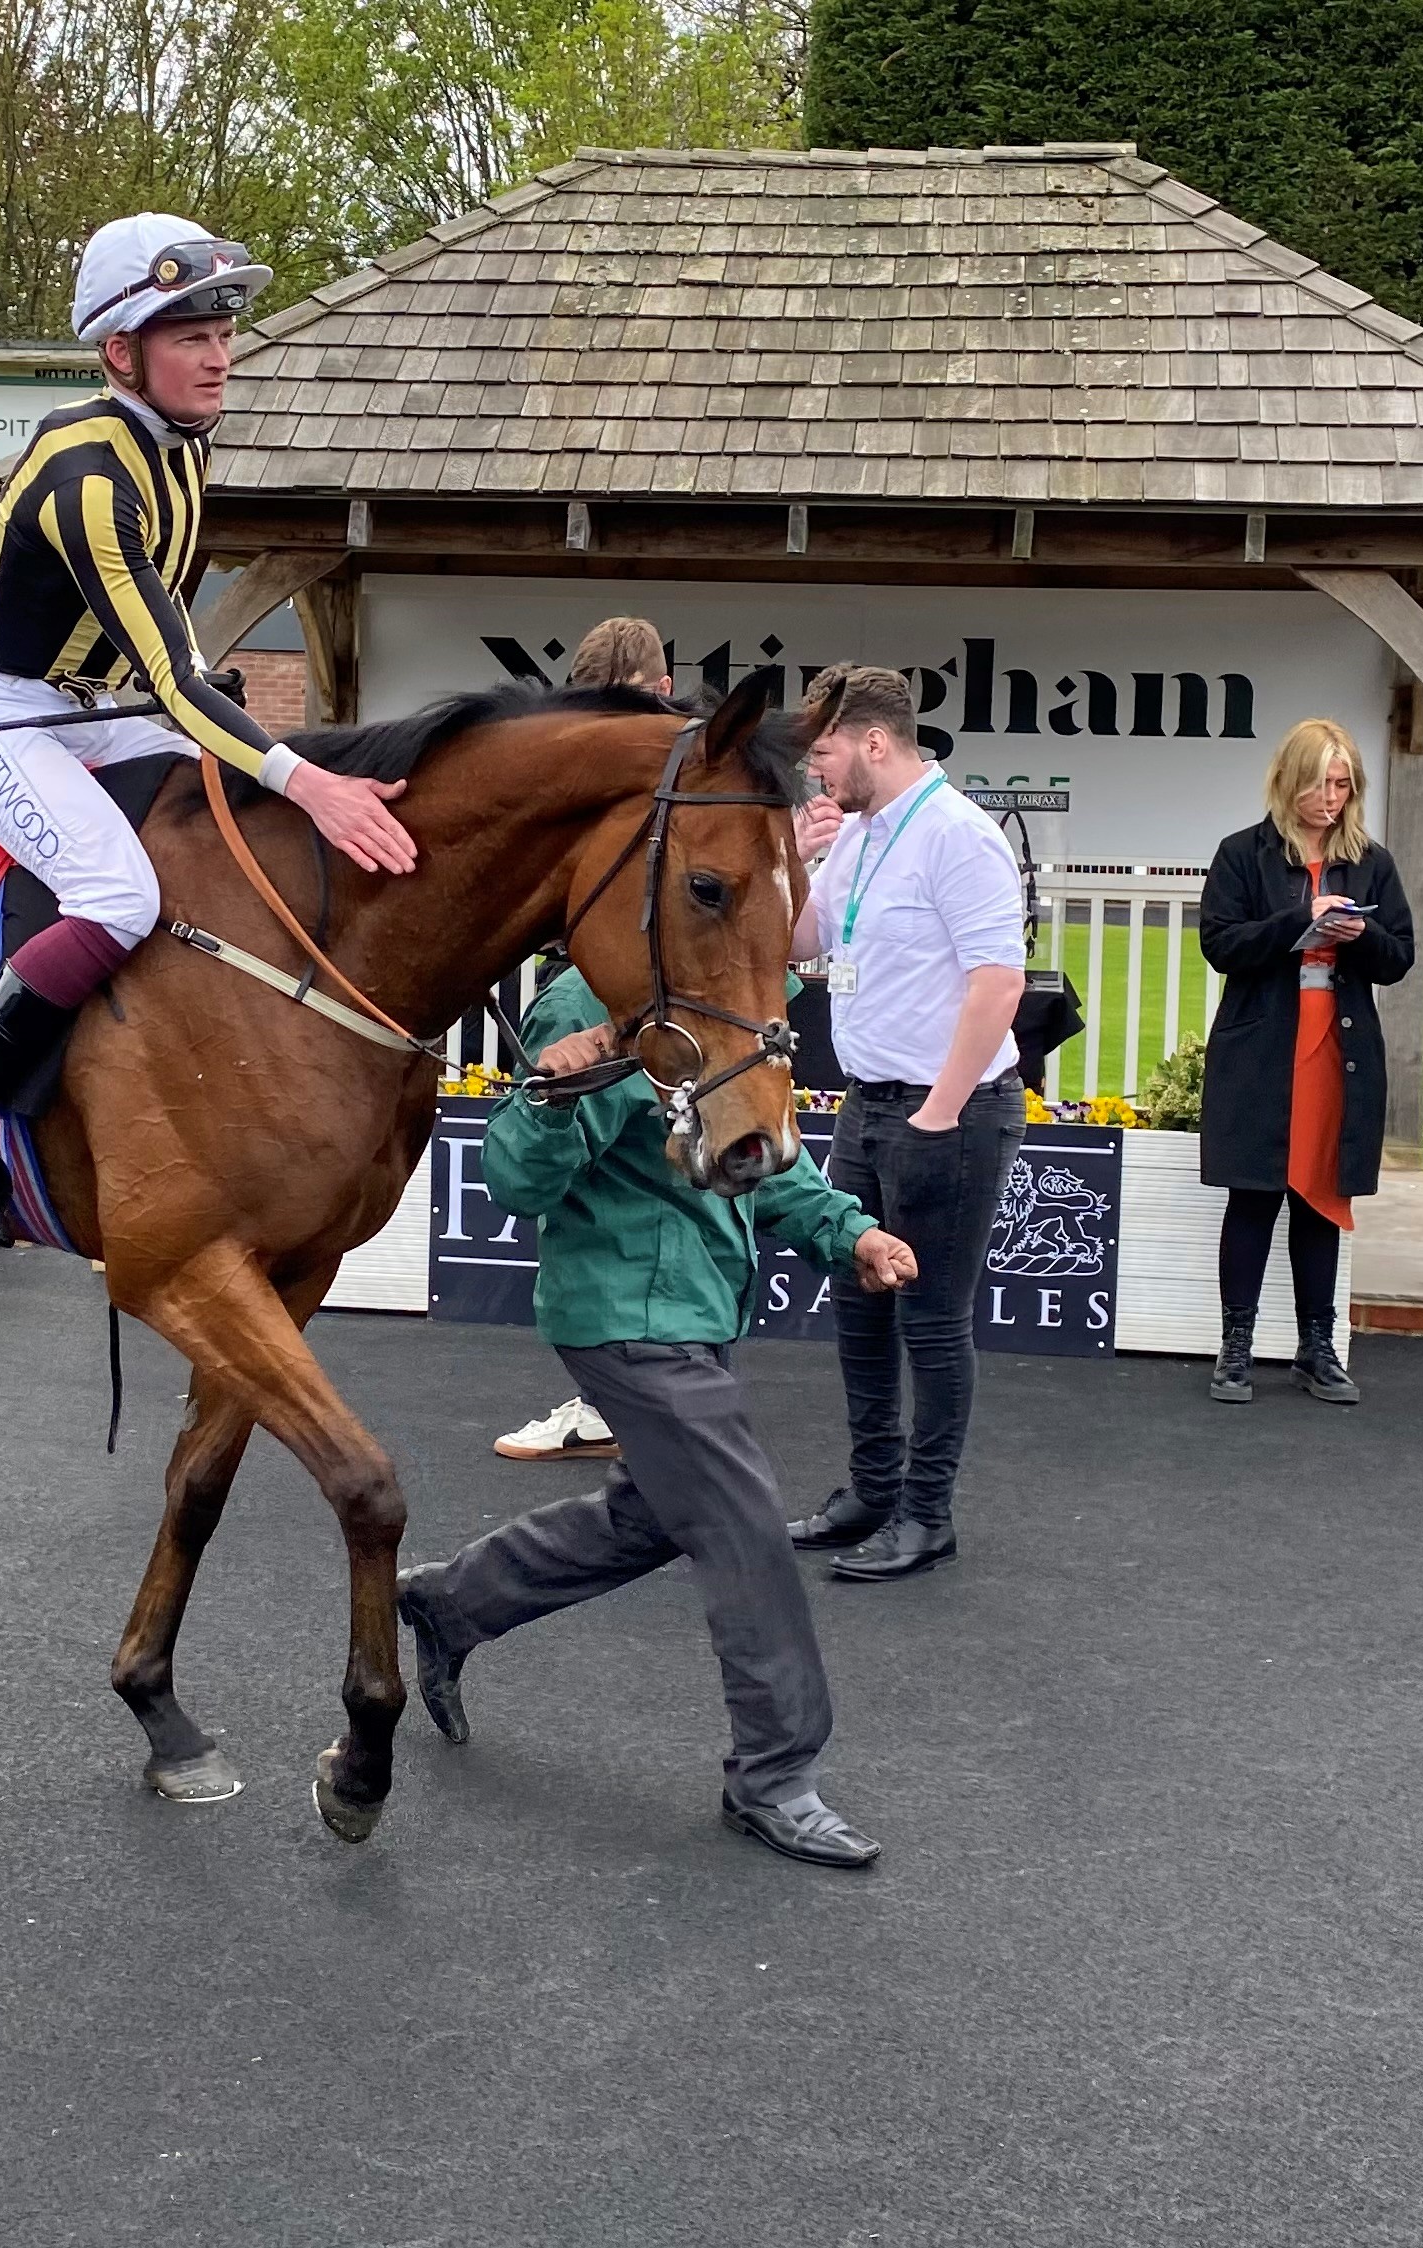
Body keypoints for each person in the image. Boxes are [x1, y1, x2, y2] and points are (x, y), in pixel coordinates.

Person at [0, 213, 421, 1242]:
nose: (218, 356)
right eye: (190, 336)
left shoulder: (177, 447)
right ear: (122, 351)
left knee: (229, 803)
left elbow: (162, 646)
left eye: (222, 332)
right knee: (119, 894)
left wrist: (256, 754)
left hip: (88, 709)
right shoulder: (89, 474)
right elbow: (173, 680)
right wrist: (314, 781)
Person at [396, 967, 913, 1869]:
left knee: (649, 1518)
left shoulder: (721, 990)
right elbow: (515, 1180)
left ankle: (451, 1600)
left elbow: (755, 1158)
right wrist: (553, 1095)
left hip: (696, 1311)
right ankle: (775, 1776)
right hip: (626, 1320)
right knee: (745, 1528)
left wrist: (850, 1233)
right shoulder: (588, 1004)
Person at [779, 664, 1028, 1583]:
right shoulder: (860, 834)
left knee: (929, 1320)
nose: (817, 771)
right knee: (857, 1306)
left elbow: (998, 982)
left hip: (947, 1113)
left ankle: (928, 1514)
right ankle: (872, 1491)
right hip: (868, 1103)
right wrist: (802, 857)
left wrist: (940, 1112)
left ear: (874, 743)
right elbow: (804, 943)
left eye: (825, 752)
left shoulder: (958, 836)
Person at [490, 614, 678, 1467]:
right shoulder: (659, 766)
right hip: (612, 978)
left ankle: (623, 1390)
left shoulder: (582, 764)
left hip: (617, 981)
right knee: (602, 1164)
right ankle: (622, 1391)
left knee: (587, 1169)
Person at [1195, 718, 1416, 1405]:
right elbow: (1222, 945)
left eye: (1344, 784)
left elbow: (1400, 955)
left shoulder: (1371, 859)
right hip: (1265, 1048)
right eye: (1321, 782)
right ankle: (1235, 1346)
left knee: (1322, 1199)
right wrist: (1301, 920)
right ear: (1291, 780)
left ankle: (1315, 1347)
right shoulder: (1242, 854)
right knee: (1254, 1192)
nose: (1332, 797)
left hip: (1338, 1051)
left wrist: (1358, 932)